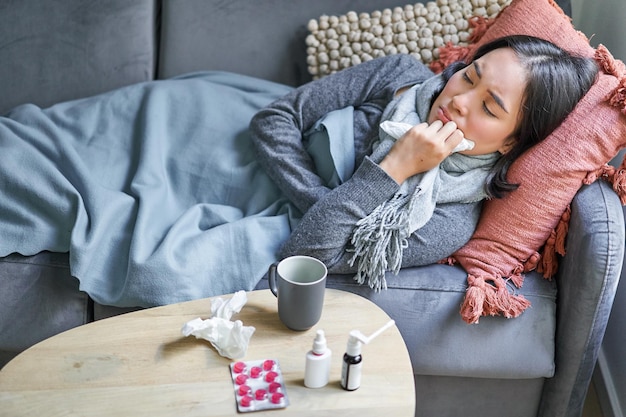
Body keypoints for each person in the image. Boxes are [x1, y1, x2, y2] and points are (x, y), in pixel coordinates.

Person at [250, 35, 598, 289]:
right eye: (469, 76)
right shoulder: (400, 77)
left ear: (511, 142)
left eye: (489, 108)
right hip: (247, 153)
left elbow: (307, 257)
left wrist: (393, 169)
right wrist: (324, 206)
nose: (460, 100)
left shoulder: (449, 221)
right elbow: (274, 119)